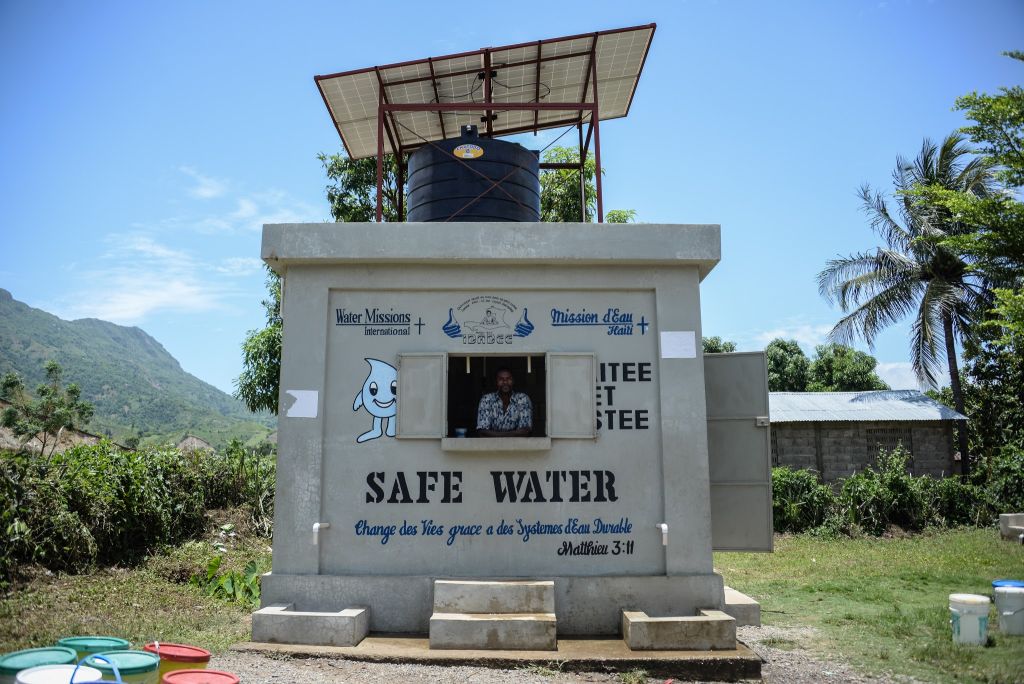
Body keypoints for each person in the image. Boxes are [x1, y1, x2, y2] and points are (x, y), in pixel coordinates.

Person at [476, 367, 532, 437]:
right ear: (496, 382)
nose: (505, 382)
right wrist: (514, 433)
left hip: (517, 446)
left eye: (508, 379)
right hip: (491, 446)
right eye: (501, 379)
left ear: (513, 381)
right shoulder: (487, 399)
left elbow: (525, 431)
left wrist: (495, 434)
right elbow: (482, 431)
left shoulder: (522, 399)